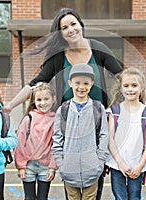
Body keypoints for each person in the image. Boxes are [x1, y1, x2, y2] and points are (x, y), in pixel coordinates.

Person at [2, 7, 146, 199]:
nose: (70, 29)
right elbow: (35, 84)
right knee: (74, 183)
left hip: (95, 121)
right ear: (60, 33)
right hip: (71, 124)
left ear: (81, 25)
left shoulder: (99, 49)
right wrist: (10, 105)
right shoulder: (58, 57)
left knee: (94, 182)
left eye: (73, 24)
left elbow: (123, 77)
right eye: (64, 27)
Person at [51, 63, 109, 200]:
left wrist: (99, 162)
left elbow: (104, 135)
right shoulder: (63, 109)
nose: (81, 87)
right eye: (77, 83)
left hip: (92, 169)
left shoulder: (98, 108)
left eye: (86, 83)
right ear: (70, 83)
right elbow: (57, 138)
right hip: (69, 169)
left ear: (92, 84)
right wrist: (61, 163)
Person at [106, 67, 146, 200]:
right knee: (119, 197)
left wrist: (140, 165)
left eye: (134, 85)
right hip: (117, 164)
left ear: (141, 89)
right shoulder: (115, 111)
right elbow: (110, 139)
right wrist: (120, 162)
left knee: (135, 196)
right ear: (121, 89)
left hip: (137, 165)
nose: (130, 89)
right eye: (126, 86)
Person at [14, 82, 58, 200]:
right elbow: (20, 143)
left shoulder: (56, 119)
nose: (43, 103)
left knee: (43, 198)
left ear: (53, 99)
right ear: (34, 101)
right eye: (39, 100)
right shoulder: (29, 118)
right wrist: (21, 166)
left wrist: (53, 167)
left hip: (46, 166)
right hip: (28, 165)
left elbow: (57, 145)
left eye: (46, 99)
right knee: (29, 198)